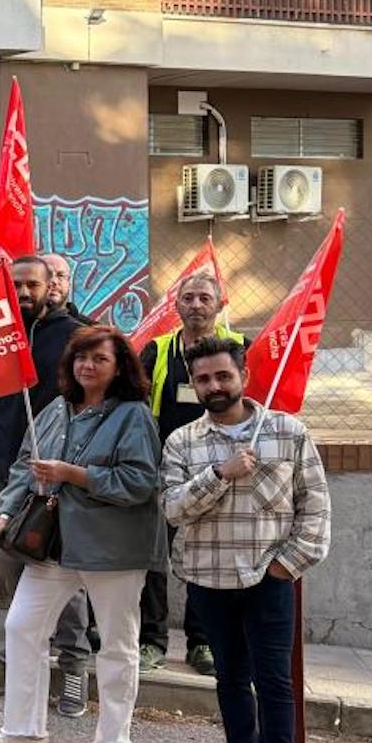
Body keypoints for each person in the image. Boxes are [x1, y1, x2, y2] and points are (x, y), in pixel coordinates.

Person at [0, 326, 162, 743]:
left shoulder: (134, 415)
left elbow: (140, 482)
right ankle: (24, 734)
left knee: (117, 645)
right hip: (54, 544)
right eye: (80, 357)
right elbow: (25, 466)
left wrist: (75, 474)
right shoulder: (56, 408)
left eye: (99, 358)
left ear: (119, 367)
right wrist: (5, 515)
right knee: (22, 626)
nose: (87, 366)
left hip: (113, 548)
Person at [161, 336, 330, 743]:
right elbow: (172, 508)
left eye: (222, 376)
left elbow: (315, 507)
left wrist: (287, 565)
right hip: (208, 578)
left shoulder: (288, 432)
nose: (213, 385)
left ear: (244, 377)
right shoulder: (183, 442)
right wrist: (220, 473)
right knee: (230, 677)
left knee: (273, 680)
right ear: (194, 384)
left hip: (269, 578)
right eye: (203, 379)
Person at [0, 255, 93, 713]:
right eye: (16, 284)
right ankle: (27, 654)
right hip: (2, 472)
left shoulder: (76, 338)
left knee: (61, 574)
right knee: (10, 565)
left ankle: (75, 665)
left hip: (56, 476)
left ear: (51, 287)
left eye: (32, 285)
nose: (23, 293)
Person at [137, 270, 241, 677]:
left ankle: (202, 643)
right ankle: (152, 640)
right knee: (154, 559)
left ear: (219, 304)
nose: (196, 304)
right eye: (188, 297)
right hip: (166, 475)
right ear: (175, 305)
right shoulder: (157, 350)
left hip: (218, 474)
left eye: (204, 298)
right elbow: (138, 408)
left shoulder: (237, 350)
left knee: (204, 560)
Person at [42, 254, 96, 326]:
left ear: (69, 282)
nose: (54, 281)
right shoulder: (23, 328)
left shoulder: (89, 331)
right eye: (47, 275)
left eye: (60, 275)